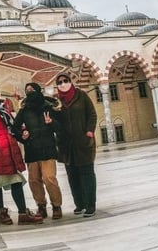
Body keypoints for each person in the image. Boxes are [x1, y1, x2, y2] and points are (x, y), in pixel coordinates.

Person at [0, 84, 43, 225]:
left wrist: (22, 131)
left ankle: (22, 213)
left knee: (15, 182)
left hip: (8, 153)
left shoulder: (2, 109)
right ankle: (3, 212)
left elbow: (12, 126)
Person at [13, 82, 64, 220]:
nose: (30, 92)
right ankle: (41, 205)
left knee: (49, 178)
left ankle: (56, 205)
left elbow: (60, 128)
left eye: (32, 89)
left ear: (38, 90)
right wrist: (23, 135)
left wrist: (51, 123)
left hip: (48, 149)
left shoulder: (48, 107)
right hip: (32, 150)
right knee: (34, 180)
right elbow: (15, 128)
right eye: (27, 90)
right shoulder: (24, 110)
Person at [54, 73, 98, 218]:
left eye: (66, 81)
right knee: (72, 176)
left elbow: (92, 114)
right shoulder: (57, 101)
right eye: (60, 82)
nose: (63, 84)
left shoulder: (81, 96)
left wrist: (89, 131)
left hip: (83, 142)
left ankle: (90, 205)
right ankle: (79, 204)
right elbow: (56, 121)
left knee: (87, 174)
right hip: (66, 145)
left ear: (71, 82)